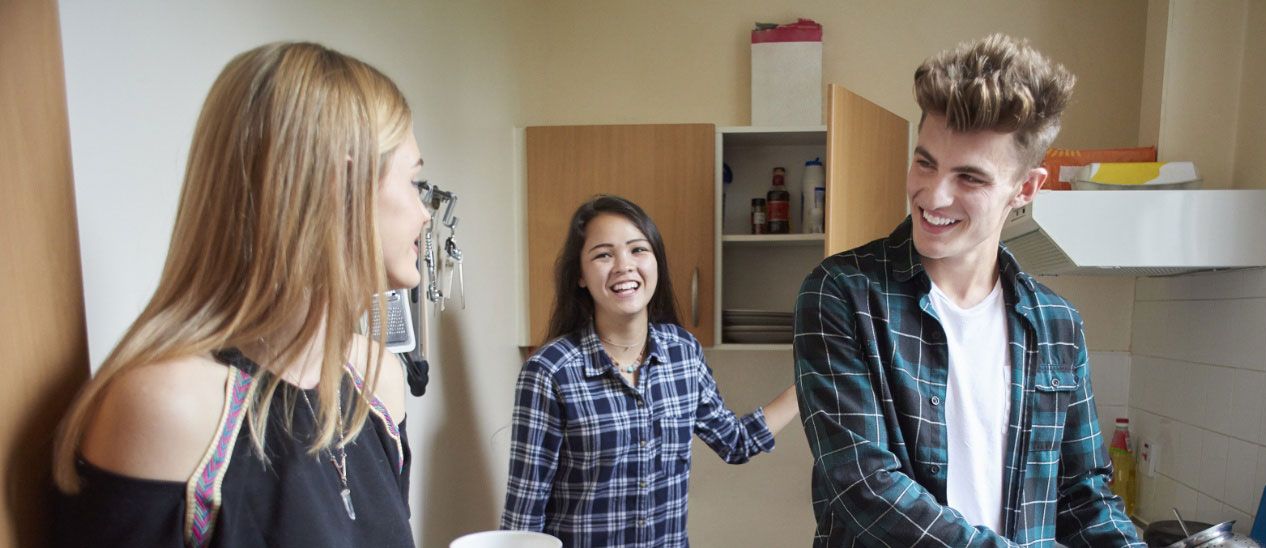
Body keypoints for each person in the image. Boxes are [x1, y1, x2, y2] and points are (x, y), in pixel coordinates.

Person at [50, 42, 431, 547]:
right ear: (344, 185)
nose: (425, 213)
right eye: (414, 181)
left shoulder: (375, 381)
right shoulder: (172, 408)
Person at [792, 34, 1144, 547]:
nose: (933, 195)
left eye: (970, 178)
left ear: (1025, 189)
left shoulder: (1058, 326)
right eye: (925, 162)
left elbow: (1082, 495)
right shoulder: (842, 294)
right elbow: (864, 487)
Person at [502, 195, 800, 547]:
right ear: (580, 276)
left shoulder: (683, 354)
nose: (623, 266)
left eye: (638, 249)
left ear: (656, 261)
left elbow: (736, 442)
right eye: (603, 254)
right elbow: (523, 516)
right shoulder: (550, 372)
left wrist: (812, 382)